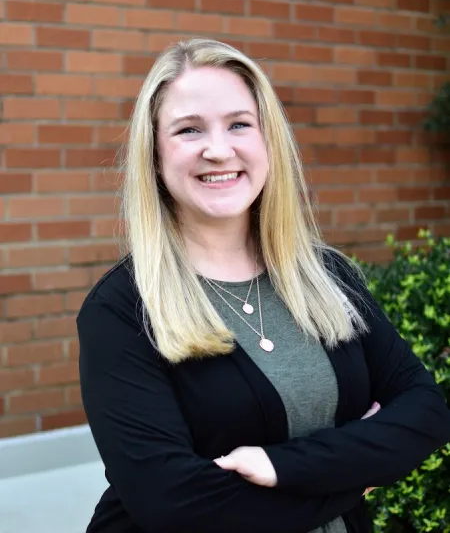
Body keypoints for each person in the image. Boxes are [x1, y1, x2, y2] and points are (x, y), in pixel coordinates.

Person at [77, 38, 450, 533]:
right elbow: (174, 505)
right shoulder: (122, 309)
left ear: (267, 140)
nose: (218, 149)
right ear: (155, 156)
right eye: (189, 130)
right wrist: (357, 469)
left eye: (239, 124)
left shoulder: (325, 276)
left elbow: (425, 411)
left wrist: (284, 467)